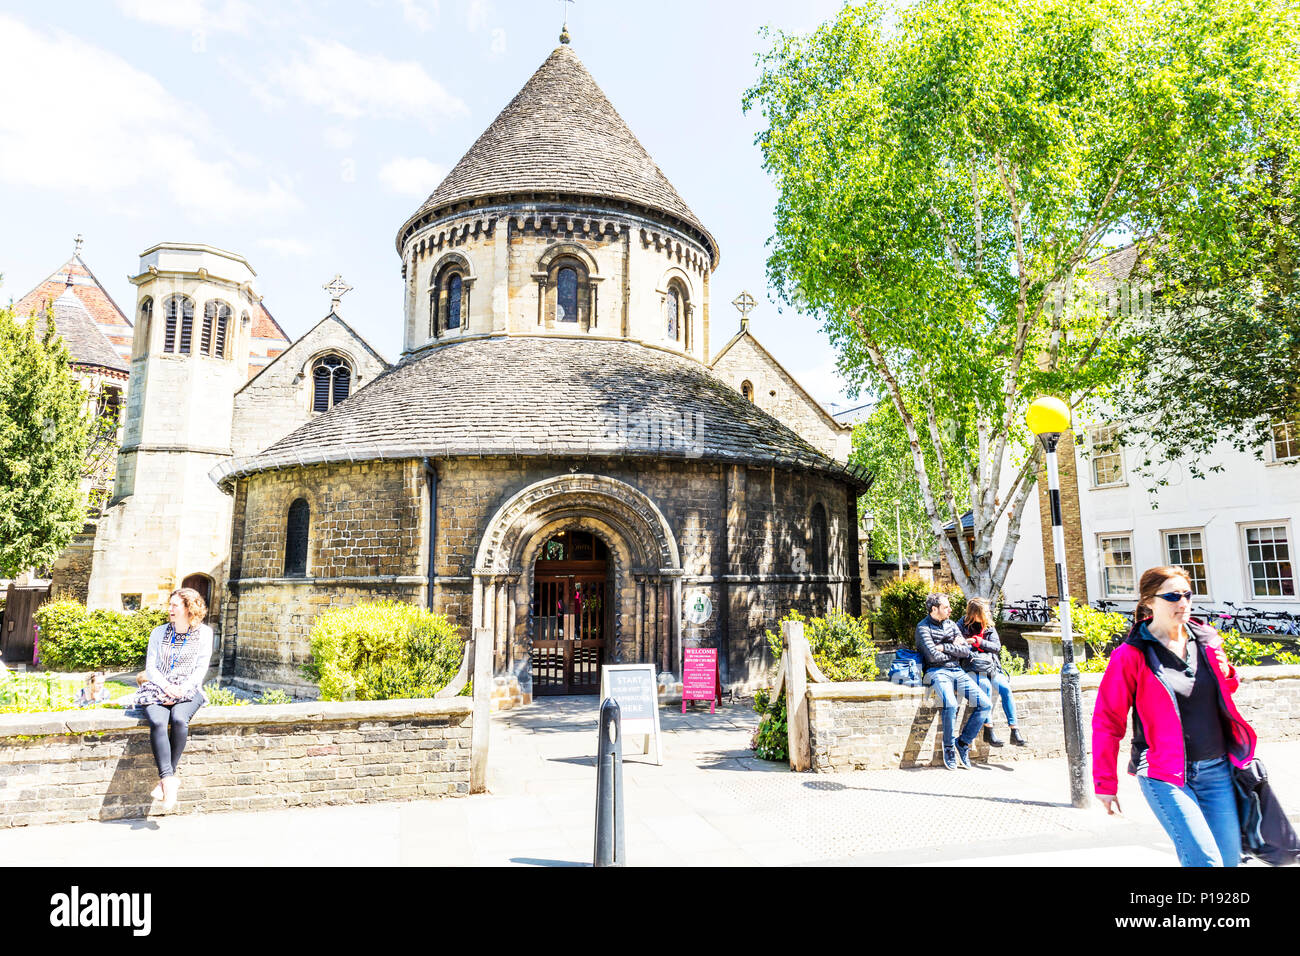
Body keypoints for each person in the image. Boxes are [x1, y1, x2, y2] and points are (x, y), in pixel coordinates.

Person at [1092, 565, 1258, 867]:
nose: (1183, 603)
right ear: (1149, 602)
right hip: (1164, 774)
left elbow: (1223, 690)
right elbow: (1107, 720)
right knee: (1206, 862)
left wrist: (1228, 673)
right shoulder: (1132, 655)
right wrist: (1105, 783)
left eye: (1187, 595)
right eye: (1172, 596)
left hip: (1217, 770)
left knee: (1229, 861)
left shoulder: (1207, 640)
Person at [137, 588, 213, 811]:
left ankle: (166, 782)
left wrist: (182, 688)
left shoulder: (205, 633)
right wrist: (167, 686)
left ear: (189, 608)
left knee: (179, 719)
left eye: (175, 605)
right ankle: (169, 779)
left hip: (188, 688)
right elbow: (151, 666)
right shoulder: (158, 633)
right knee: (158, 722)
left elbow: (201, 668)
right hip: (158, 687)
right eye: (169, 605)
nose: (169, 609)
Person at [915, 593, 992, 770]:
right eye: (946, 607)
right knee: (950, 704)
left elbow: (965, 650)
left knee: (985, 704)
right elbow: (933, 656)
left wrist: (945, 647)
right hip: (937, 671)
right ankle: (948, 747)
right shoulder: (923, 628)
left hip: (957, 670)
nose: (950, 610)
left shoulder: (951, 624)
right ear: (934, 609)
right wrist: (954, 647)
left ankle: (962, 743)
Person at [959, 599, 1028, 747]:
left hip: (991, 667)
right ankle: (989, 731)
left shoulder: (988, 626)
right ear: (975, 613)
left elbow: (996, 647)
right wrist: (968, 644)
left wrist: (977, 642)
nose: (988, 613)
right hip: (972, 667)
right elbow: (958, 646)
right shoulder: (962, 625)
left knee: (1005, 689)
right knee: (986, 687)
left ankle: (1014, 730)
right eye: (985, 611)